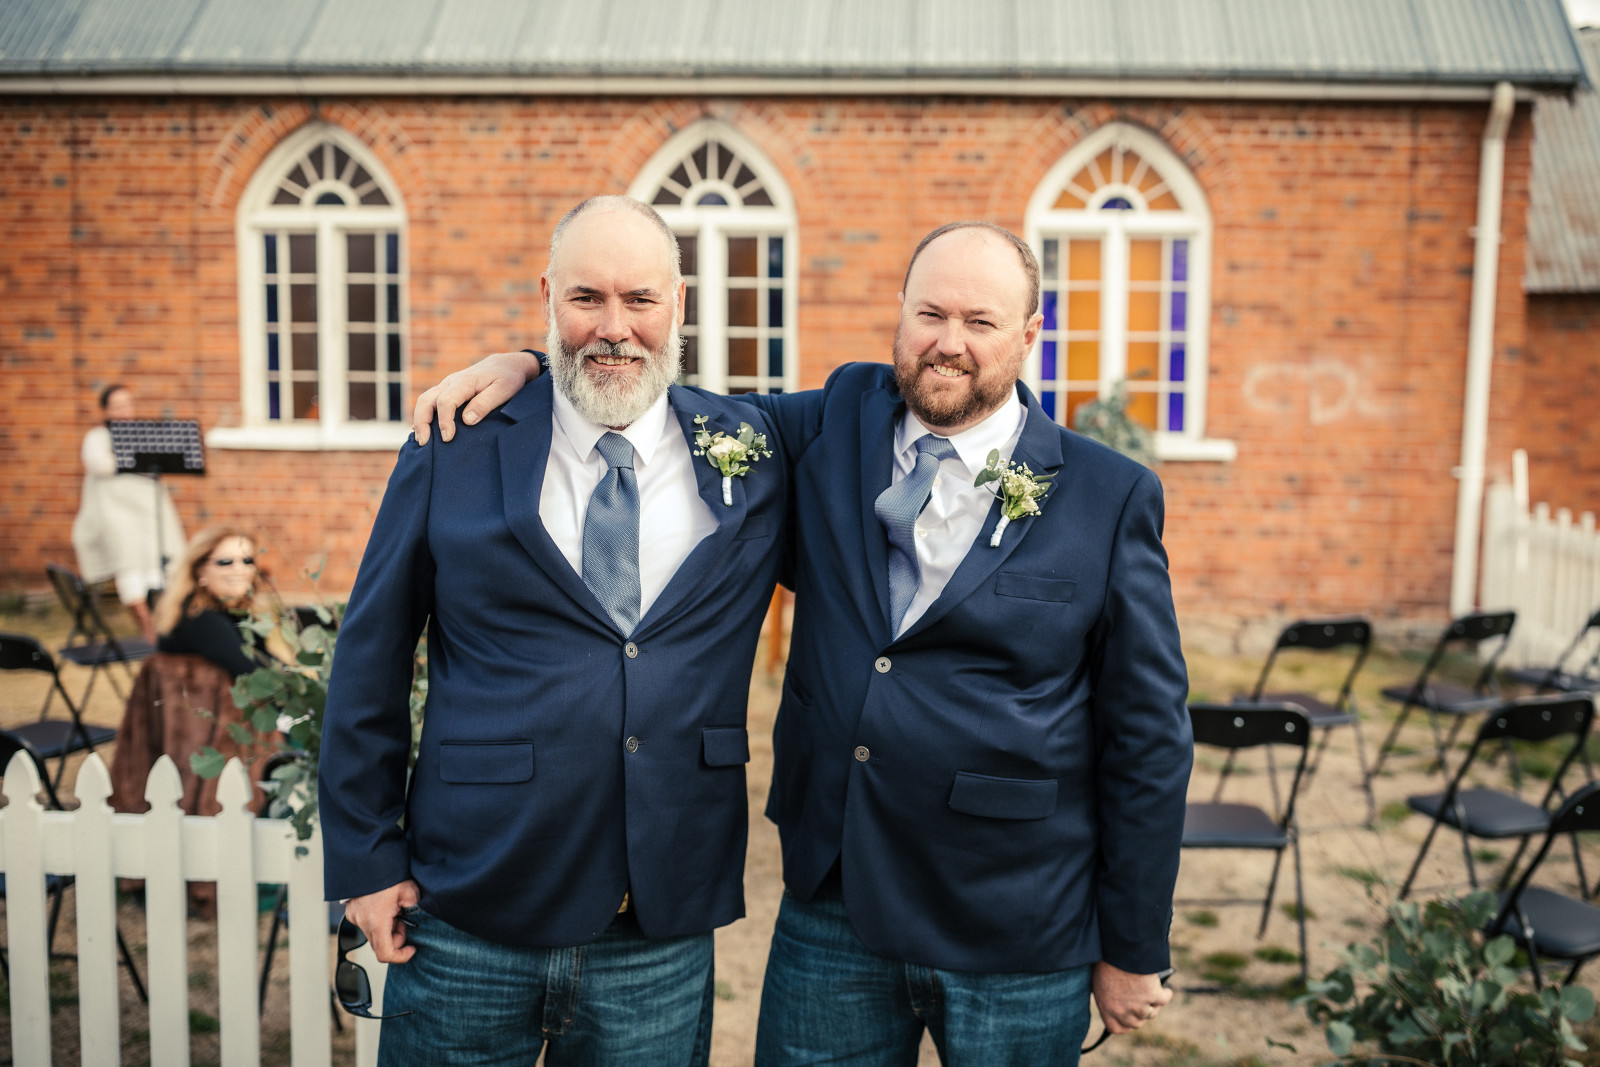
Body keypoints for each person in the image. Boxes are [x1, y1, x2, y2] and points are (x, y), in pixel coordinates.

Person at [415, 220, 1192, 1065]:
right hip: (834, 907)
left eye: (981, 321)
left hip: (1017, 917)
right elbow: (654, 394)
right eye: (930, 314)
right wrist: (531, 366)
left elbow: (1149, 737)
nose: (949, 343)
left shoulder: (1109, 497)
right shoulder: (833, 426)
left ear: (1030, 333)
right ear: (900, 311)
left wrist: (1133, 941)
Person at [319, 196, 788, 1066]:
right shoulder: (452, 444)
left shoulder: (753, 447)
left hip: (657, 925)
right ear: (547, 296)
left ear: (680, 303)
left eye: (640, 299)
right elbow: (369, 661)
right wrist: (367, 861)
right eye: (586, 298)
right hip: (468, 912)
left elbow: (888, 409)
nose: (614, 327)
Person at [71, 383, 186, 644]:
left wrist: (132, 458)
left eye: (127, 405)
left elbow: (160, 464)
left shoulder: (143, 435)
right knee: (129, 570)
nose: (124, 411)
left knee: (159, 569)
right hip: (116, 517)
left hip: (148, 516)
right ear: (105, 410)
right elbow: (101, 465)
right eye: (117, 406)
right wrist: (136, 458)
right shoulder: (97, 437)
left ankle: (166, 627)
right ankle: (148, 631)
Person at [152, 526, 292, 677]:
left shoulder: (235, 612)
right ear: (200, 570)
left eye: (247, 560)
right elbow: (254, 673)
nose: (239, 569)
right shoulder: (199, 617)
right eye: (225, 562)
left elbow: (266, 660)